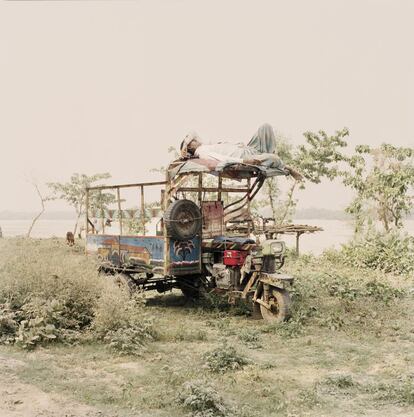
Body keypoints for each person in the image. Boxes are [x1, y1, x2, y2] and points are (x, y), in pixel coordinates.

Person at [180, 123, 303, 180]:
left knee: (265, 127)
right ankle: (287, 168)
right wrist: (244, 160)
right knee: (274, 159)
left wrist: (185, 144)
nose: (196, 139)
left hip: (247, 148)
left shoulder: (204, 145)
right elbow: (223, 160)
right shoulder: (202, 152)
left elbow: (192, 132)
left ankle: (268, 154)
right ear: (192, 146)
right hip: (245, 156)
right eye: (193, 141)